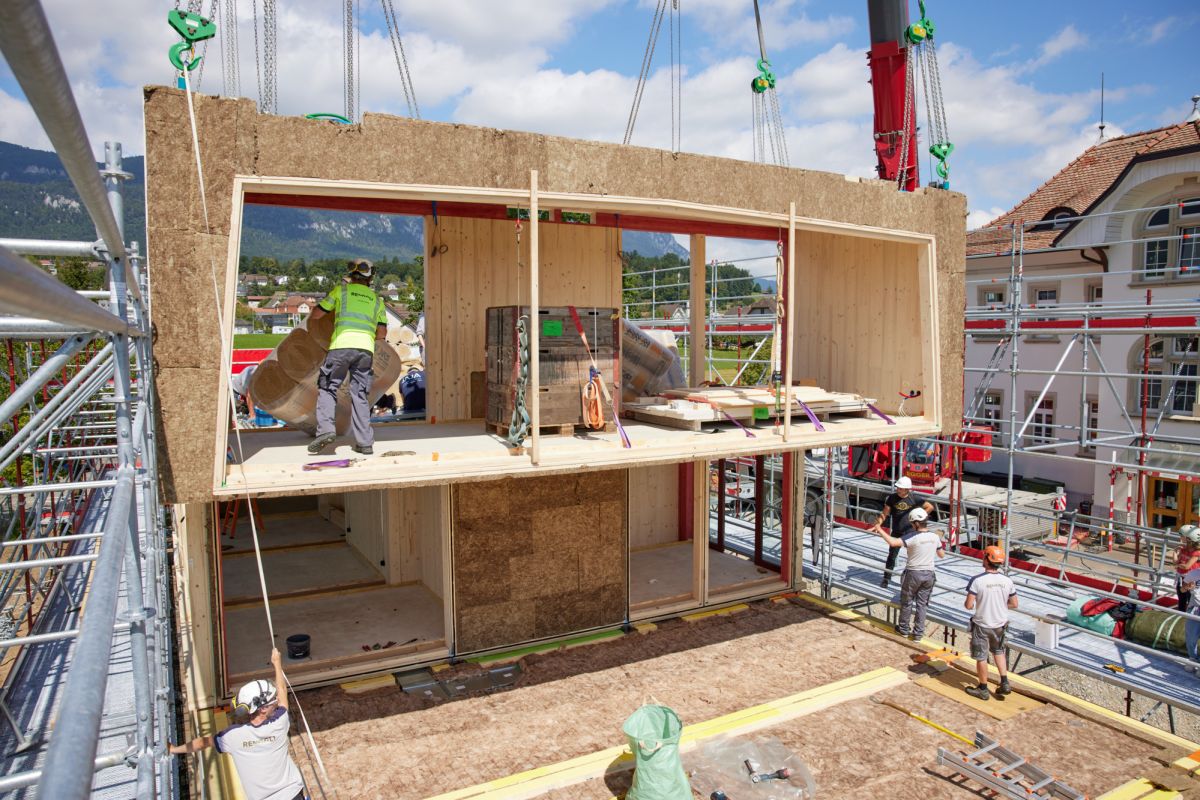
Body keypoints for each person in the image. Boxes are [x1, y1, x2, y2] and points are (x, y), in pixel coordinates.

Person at [170, 648, 306, 800]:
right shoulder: (279, 724)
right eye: (273, 700)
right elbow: (281, 690)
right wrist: (277, 663)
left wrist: (174, 749)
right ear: (262, 709)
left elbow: (203, 742)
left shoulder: (232, 736)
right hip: (293, 794)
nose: (276, 702)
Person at [307, 259, 387, 456]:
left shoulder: (341, 291)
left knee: (328, 387)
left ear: (351, 276)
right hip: (365, 350)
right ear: (370, 278)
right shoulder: (377, 300)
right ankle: (365, 443)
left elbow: (316, 314)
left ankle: (326, 431)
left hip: (341, 346)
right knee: (359, 395)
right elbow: (382, 333)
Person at [873, 507, 944, 640]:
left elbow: (893, 543)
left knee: (907, 602)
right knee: (922, 605)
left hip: (913, 573)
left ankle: (904, 629)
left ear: (916, 523)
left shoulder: (912, 536)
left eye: (912, 523)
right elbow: (941, 554)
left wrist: (880, 529)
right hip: (929, 574)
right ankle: (918, 634)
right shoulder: (934, 537)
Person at [963, 546, 1018, 701]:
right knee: (998, 651)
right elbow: (1014, 603)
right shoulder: (1007, 581)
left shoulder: (977, 581)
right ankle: (1004, 681)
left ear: (987, 559)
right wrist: (1000, 604)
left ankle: (983, 688)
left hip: (982, 623)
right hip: (1000, 624)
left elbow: (968, 605)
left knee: (981, 656)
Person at [869, 476, 935, 588]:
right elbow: (884, 514)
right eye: (897, 487)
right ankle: (886, 578)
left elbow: (930, 507)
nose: (897, 489)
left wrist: (918, 517)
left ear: (906, 489)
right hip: (897, 531)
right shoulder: (891, 498)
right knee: (892, 556)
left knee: (913, 557)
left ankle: (910, 579)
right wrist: (878, 524)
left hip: (911, 532)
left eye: (900, 488)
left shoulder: (914, 498)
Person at [1174, 524, 1200, 612]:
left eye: (1182, 536)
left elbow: (1186, 566)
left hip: (1191, 581)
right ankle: (1181, 617)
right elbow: (1176, 562)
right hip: (1182, 578)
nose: (1180, 538)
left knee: (1190, 600)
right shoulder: (1184, 549)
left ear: (1189, 539)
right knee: (1181, 599)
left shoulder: (1196, 552)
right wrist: (1175, 553)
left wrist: (1178, 565)